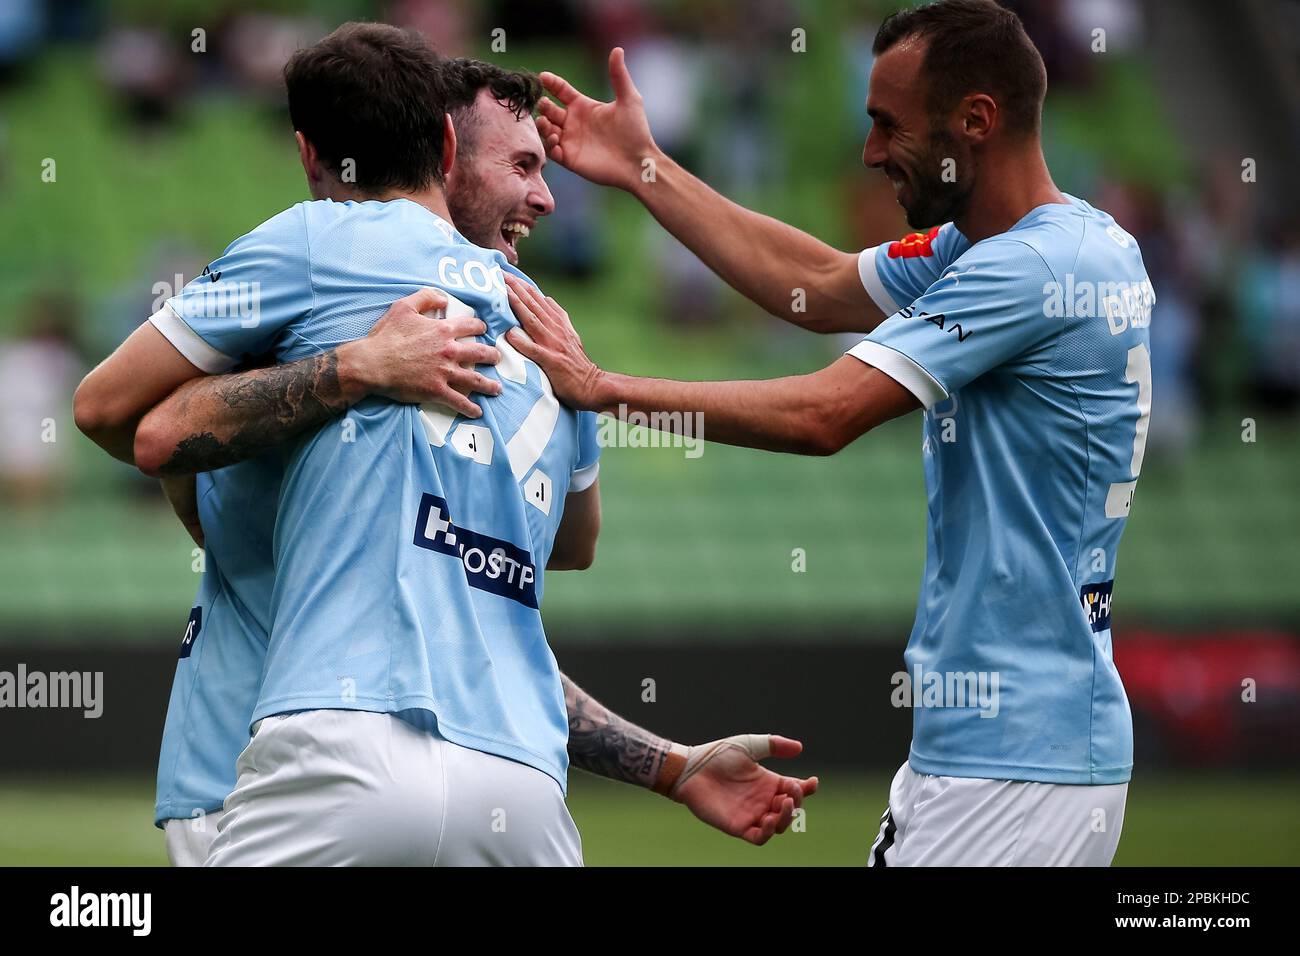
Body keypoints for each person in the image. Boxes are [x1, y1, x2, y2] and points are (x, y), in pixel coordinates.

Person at [76, 26, 813, 866]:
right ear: (447, 149)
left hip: (289, 759)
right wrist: (667, 766)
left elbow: (140, 426)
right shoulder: (550, 337)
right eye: (524, 167)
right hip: (514, 779)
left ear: (311, 154)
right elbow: (564, 556)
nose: (545, 199)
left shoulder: (322, 251)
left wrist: (342, 374)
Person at [503, 0, 1153, 865]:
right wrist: (644, 167)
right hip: (1013, 746)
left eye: (890, 125)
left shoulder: (1028, 268)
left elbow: (824, 415)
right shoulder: (1045, 245)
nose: (871, 152)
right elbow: (812, 282)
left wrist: (599, 388)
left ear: (977, 121)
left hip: (1020, 764)